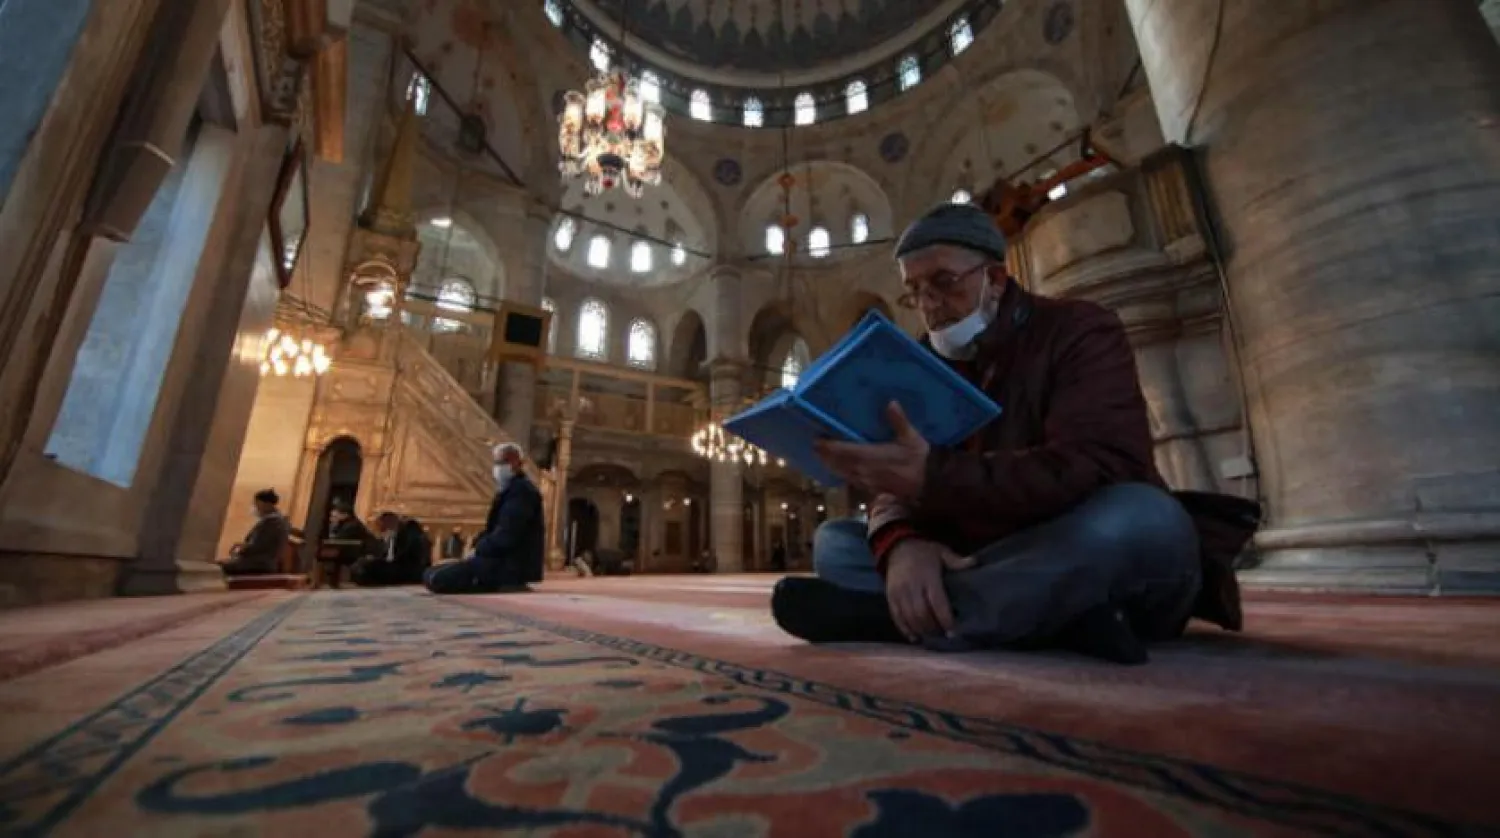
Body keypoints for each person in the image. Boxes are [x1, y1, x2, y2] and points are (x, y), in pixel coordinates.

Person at [770, 203, 1259, 664]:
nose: (930, 305)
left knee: (1144, 518)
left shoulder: (1079, 330)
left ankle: (889, 620)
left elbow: (1100, 467)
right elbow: (893, 483)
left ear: (996, 280)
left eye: (943, 283)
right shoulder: (923, 361)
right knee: (835, 541)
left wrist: (933, 478)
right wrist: (904, 542)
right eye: (914, 291)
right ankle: (1056, 619)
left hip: (1075, 541)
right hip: (988, 551)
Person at [424, 443, 545, 594]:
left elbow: (507, 534)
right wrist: (477, 546)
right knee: (431, 572)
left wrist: (479, 549)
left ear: (514, 463)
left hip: (510, 563)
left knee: (439, 578)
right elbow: (493, 529)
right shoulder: (509, 490)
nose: (497, 468)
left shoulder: (522, 492)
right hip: (496, 559)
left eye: (501, 463)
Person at [220, 489, 290, 576]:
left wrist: (242, 549)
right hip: (260, 561)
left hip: (259, 564)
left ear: (267, 505)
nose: (256, 507)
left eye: (257, 504)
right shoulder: (274, 521)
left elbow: (258, 546)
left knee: (217, 568)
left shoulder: (273, 523)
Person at [352, 511, 430, 587]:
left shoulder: (410, 530)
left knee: (370, 567)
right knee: (363, 563)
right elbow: (386, 555)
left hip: (408, 569)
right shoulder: (392, 532)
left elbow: (405, 556)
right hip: (396, 566)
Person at [317, 502, 376, 588]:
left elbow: (338, 541)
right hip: (353, 550)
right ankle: (329, 581)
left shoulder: (351, 525)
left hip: (361, 553)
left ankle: (327, 581)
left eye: (334, 516)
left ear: (344, 515)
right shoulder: (347, 524)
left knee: (327, 555)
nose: (331, 519)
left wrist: (333, 528)